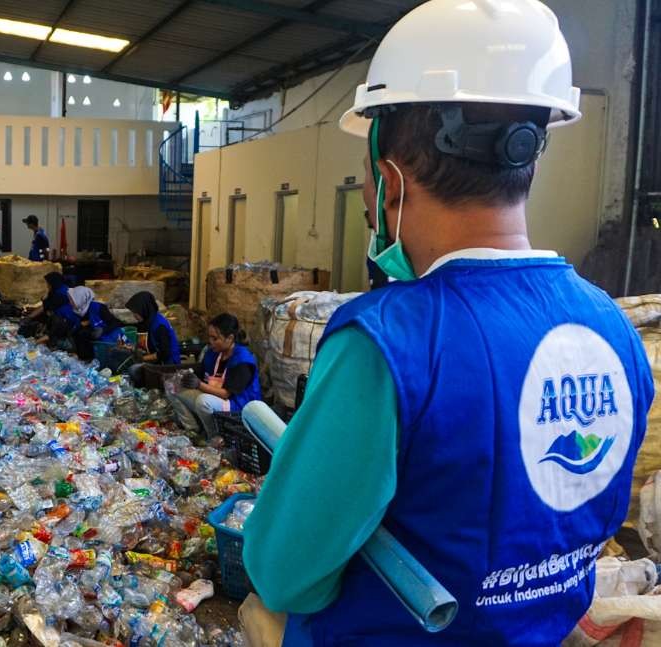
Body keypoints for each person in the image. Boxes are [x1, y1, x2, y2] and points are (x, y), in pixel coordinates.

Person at [240, 2, 653, 646]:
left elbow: (287, 573)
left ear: (388, 180)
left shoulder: (387, 342)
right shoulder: (614, 329)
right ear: (530, 158)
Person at [170, 313, 260, 435]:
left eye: (215, 338)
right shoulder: (213, 353)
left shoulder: (242, 361)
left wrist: (199, 385)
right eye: (210, 337)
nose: (210, 342)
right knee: (172, 386)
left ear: (230, 338)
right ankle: (193, 430)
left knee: (203, 401)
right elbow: (202, 374)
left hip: (238, 406)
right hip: (215, 399)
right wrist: (185, 376)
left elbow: (226, 394)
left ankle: (215, 437)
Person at [125, 291, 182, 386]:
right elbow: (146, 345)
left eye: (136, 312)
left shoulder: (159, 325)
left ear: (144, 309)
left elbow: (164, 353)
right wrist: (130, 347)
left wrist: (143, 358)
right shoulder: (147, 321)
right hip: (155, 360)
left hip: (167, 366)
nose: (134, 316)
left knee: (133, 370)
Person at [68, 285, 125, 362]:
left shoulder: (98, 308)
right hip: (92, 347)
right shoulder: (77, 311)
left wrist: (103, 330)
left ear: (80, 298)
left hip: (108, 342)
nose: (70, 302)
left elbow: (115, 323)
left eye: (72, 300)